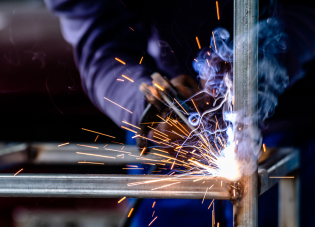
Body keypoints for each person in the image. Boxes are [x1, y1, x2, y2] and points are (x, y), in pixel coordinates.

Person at [44, 0, 315, 226]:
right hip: (172, 136)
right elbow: (102, 42)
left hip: (293, 120)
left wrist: (259, 67)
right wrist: (147, 105)